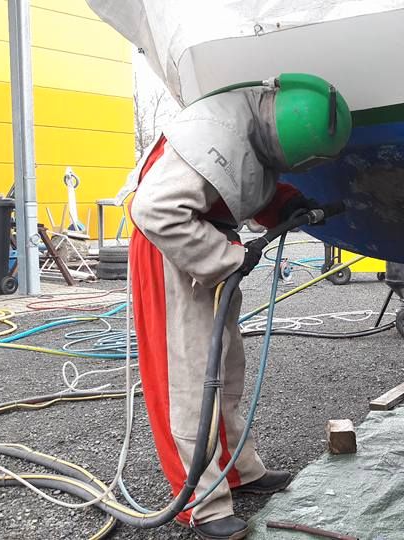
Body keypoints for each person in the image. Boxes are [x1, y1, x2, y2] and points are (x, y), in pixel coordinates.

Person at [125, 74, 351, 540]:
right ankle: (201, 504)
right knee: (189, 378)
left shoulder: (251, 120)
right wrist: (227, 257)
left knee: (226, 368)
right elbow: (153, 210)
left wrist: (287, 205)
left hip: (204, 237)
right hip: (169, 248)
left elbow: (243, 182)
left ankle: (237, 471)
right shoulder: (215, 130)